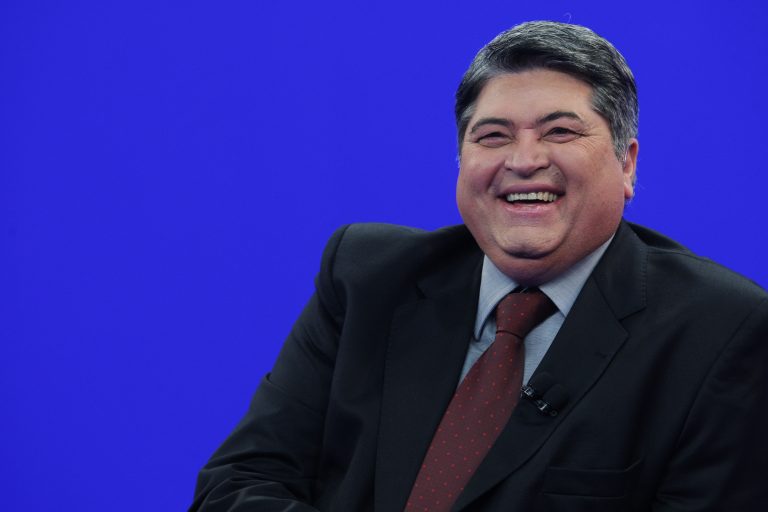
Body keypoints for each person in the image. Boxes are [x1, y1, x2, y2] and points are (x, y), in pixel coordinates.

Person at [189, 21, 768, 511]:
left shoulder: (721, 331)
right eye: (492, 136)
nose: (523, 160)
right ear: (461, 161)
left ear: (627, 164)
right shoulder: (366, 278)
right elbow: (235, 485)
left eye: (560, 131)